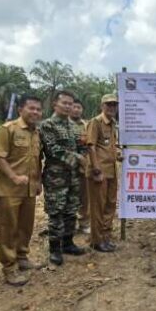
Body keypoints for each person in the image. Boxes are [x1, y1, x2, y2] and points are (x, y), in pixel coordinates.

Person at [0, 95, 43, 285]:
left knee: (25, 227)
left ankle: (22, 258)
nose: (35, 112)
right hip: (8, 190)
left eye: (38, 109)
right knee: (8, 229)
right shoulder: (9, 129)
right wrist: (13, 177)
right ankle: (9, 268)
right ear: (20, 109)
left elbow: (37, 160)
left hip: (29, 189)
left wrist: (38, 182)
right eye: (31, 108)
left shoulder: (36, 132)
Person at [40, 91, 87, 265]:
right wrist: (78, 158)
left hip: (74, 176)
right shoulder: (48, 125)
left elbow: (82, 145)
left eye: (70, 104)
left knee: (71, 210)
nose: (68, 106)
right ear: (55, 104)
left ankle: (68, 243)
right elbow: (53, 149)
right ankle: (54, 249)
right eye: (64, 103)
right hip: (56, 177)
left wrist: (84, 158)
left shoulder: (75, 126)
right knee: (56, 211)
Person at [86, 94, 120, 252]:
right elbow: (91, 146)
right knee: (97, 207)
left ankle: (106, 236)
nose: (112, 107)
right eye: (108, 105)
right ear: (102, 106)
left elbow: (110, 146)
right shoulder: (96, 122)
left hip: (111, 171)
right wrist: (96, 169)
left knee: (110, 204)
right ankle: (96, 240)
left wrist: (118, 154)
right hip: (99, 172)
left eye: (114, 105)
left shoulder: (113, 123)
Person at [70, 99, 90, 234]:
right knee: (69, 197)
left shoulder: (87, 125)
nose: (76, 109)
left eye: (79, 107)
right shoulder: (64, 125)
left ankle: (84, 223)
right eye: (74, 107)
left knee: (85, 197)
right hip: (68, 167)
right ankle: (69, 224)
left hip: (84, 167)